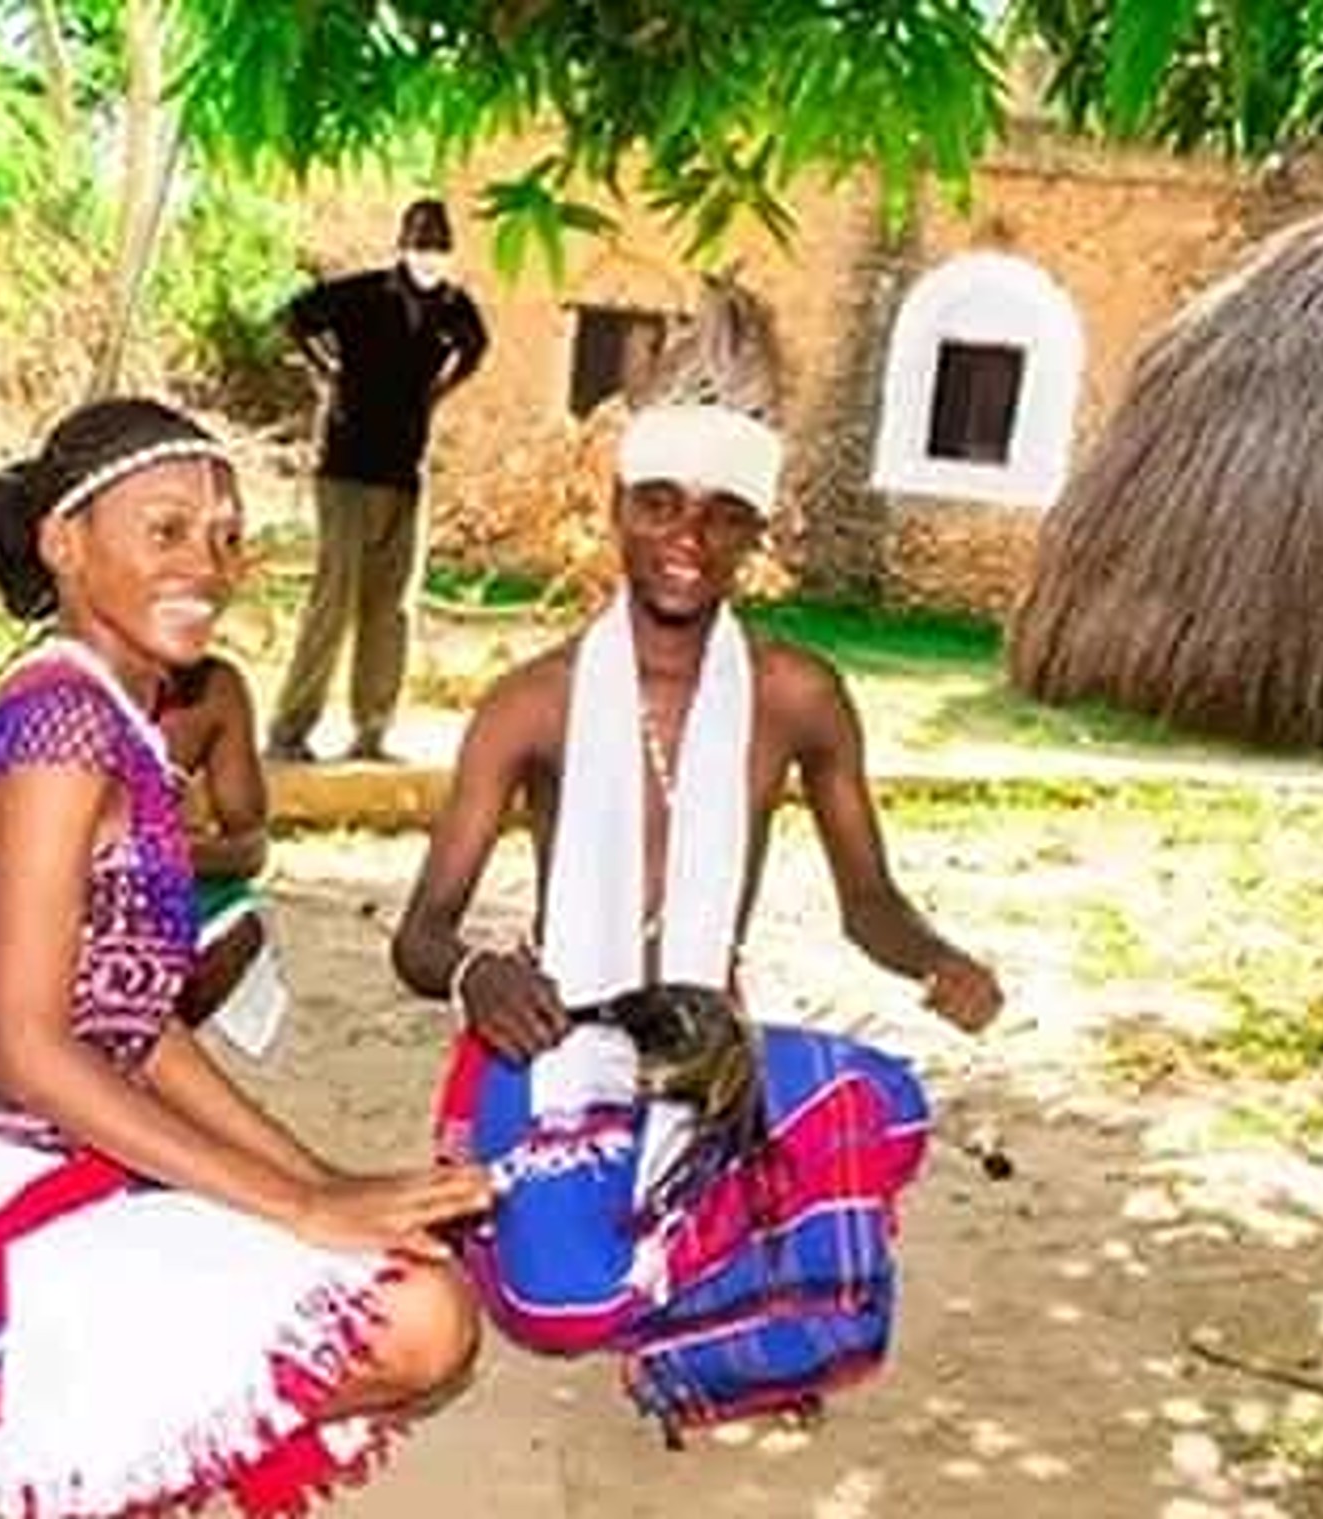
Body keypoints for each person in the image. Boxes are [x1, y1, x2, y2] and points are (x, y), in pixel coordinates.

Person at [0, 399, 489, 1517]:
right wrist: (300, 1211)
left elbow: (135, 1024)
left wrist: (318, 1181)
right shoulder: (62, 721)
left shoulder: (111, 716)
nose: (206, 563)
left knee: (399, 1290)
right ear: (67, 545)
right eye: (164, 530)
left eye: (222, 535)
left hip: (53, 1162)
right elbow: (26, 1049)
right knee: (418, 1314)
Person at [389, 403, 1004, 1440]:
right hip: (557, 1038)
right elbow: (421, 933)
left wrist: (937, 959)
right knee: (560, 1309)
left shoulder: (796, 695)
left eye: (723, 517)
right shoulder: (531, 703)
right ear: (617, 515)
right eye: (661, 506)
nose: (687, 537)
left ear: (754, 540)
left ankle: (686, 1261)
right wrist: (476, 978)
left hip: (704, 1050)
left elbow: (869, 905)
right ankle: (708, 1279)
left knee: (881, 1105)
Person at [267, 197, 488, 765]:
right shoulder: (361, 295)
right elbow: (293, 318)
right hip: (346, 468)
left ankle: (372, 732)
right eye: (422, 240)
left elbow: (476, 349)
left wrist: (440, 391)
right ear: (403, 242)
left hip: (404, 473)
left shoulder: (453, 307)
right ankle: (290, 731)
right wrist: (328, 373)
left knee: (391, 609)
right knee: (333, 599)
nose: (430, 252)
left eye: (439, 243)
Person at [157, 652, 291, 1057]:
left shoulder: (212, 688)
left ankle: (133, 1071)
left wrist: (163, 853)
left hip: (148, 886)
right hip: (49, 906)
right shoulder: (50, 694)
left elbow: (250, 848)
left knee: (237, 932)